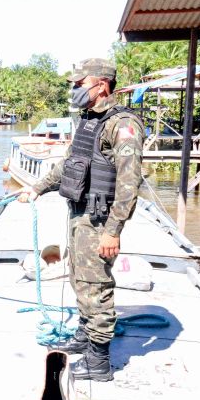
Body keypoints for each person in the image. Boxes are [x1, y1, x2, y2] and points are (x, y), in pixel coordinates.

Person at [18, 58, 145, 382]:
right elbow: (69, 166)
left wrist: (113, 231)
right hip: (79, 215)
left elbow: (129, 183)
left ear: (101, 85)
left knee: (97, 287)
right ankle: (85, 337)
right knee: (79, 280)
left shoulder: (123, 125)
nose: (75, 91)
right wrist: (37, 188)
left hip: (100, 221)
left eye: (79, 84)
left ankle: (99, 362)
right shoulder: (89, 121)